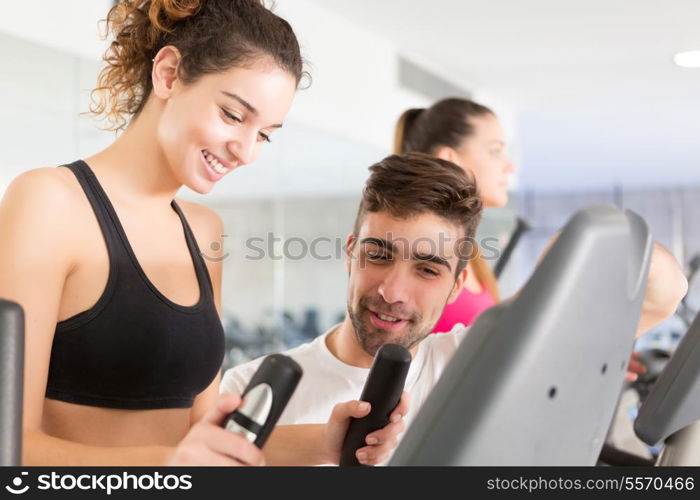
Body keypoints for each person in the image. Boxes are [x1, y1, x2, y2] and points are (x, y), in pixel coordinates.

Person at [0, 0, 406, 466]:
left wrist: (329, 439)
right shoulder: (49, 202)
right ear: (170, 74)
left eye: (265, 134)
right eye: (233, 115)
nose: (246, 152)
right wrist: (168, 467)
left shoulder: (202, 229)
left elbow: (205, 437)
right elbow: (8, 445)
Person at [221, 153, 688, 447]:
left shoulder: (480, 363)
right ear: (350, 253)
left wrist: (581, 247)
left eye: (427, 269)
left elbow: (664, 292)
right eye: (378, 255)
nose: (392, 291)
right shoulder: (250, 386)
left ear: (458, 283)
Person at [394, 98, 512, 331]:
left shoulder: (467, 251)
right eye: (495, 151)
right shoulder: (421, 247)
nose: (509, 166)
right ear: (450, 160)